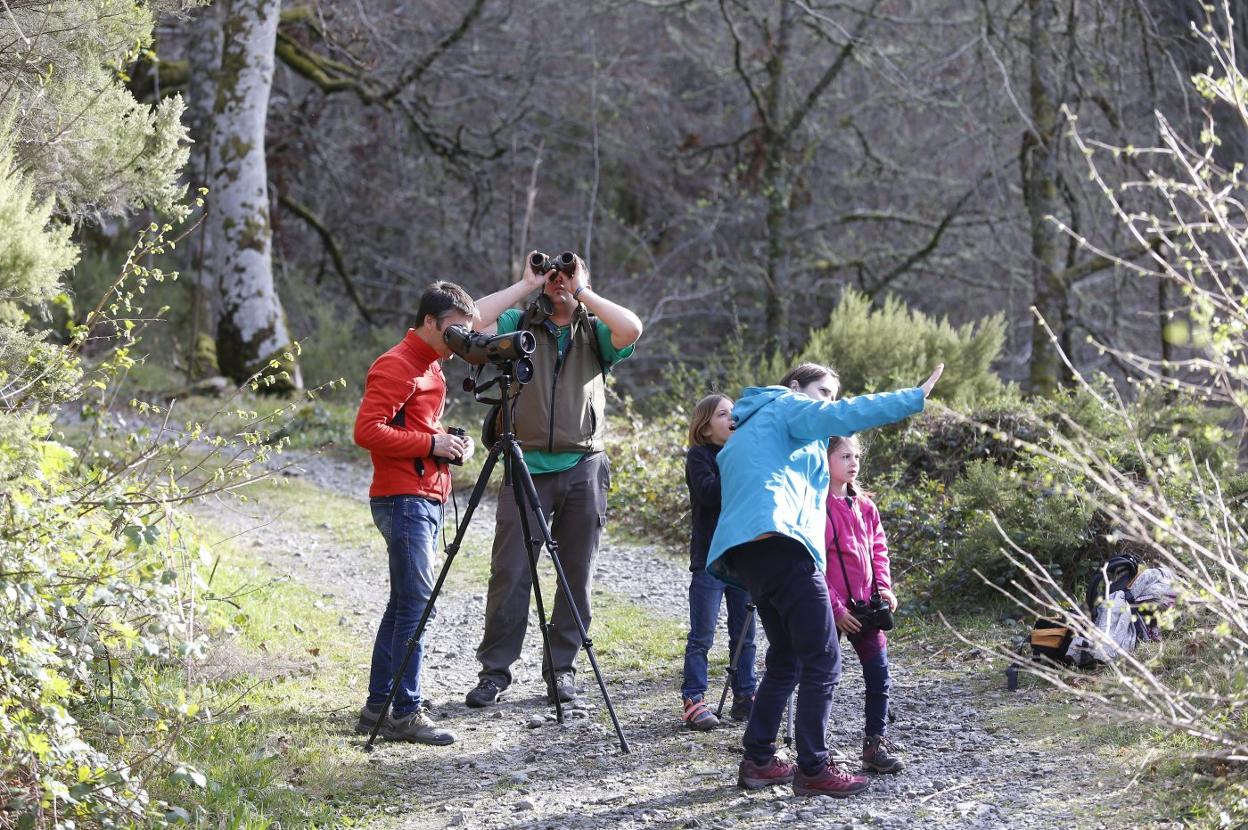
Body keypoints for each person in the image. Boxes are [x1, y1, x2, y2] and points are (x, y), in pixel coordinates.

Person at [707, 361, 942, 797]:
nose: (828, 402)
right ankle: (813, 766)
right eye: (824, 391)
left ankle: (758, 759)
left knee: (787, 659)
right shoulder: (791, 406)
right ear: (797, 387)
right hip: (781, 544)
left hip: (751, 553)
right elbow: (844, 416)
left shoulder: (756, 422)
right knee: (824, 659)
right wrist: (913, 397)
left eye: (833, 393)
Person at [464, 251, 643, 707]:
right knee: (510, 572)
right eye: (552, 274)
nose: (557, 280)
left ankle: (562, 671)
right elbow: (469, 323)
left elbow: (632, 329)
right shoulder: (519, 321)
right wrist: (527, 284)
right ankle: (495, 673)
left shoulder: (594, 329)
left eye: (566, 273)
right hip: (524, 464)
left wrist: (581, 290)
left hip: (584, 465)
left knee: (575, 575)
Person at [352, 281, 477, 744]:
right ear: (428, 322)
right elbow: (366, 430)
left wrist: (447, 444)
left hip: (421, 495)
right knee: (415, 610)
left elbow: (415, 425)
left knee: (405, 605)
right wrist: (431, 443)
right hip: (403, 499)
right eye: (453, 331)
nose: (458, 341)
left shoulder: (429, 364)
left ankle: (377, 708)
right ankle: (405, 711)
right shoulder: (398, 364)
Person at [824, 434, 904, 774]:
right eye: (844, 456)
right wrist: (835, 608)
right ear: (824, 459)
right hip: (831, 609)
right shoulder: (816, 505)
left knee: (879, 673)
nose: (853, 463)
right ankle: (817, 747)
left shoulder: (865, 505)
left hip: (867, 607)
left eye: (856, 456)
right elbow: (813, 564)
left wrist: (884, 588)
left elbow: (878, 549)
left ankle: (875, 742)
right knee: (822, 676)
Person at [681, 394, 756, 730]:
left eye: (734, 414)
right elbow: (710, 494)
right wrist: (735, 460)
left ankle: (745, 695)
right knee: (702, 635)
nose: (732, 419)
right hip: (710, 559)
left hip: (743, 560)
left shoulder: (743, 456)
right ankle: (694, 699)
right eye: (723, 414)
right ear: (706, 427)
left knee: (745, 633)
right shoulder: (700, 456)